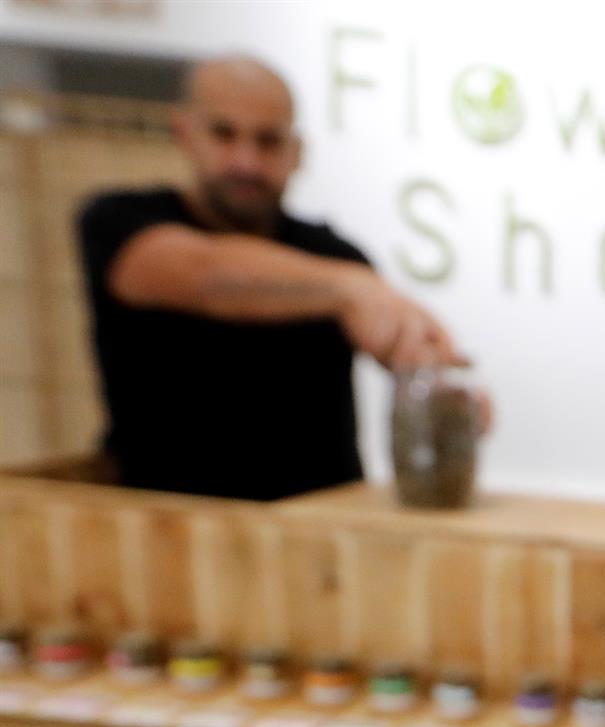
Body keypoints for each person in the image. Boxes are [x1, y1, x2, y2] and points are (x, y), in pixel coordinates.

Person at [77, 55, 471, 501]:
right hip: (167, 529)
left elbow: (402, 347)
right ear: (184, 132)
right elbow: (207, 274)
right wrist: (348, 289)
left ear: (296, 153)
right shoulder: (118, 221)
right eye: (224, 134)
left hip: (316, 529)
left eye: (268, 141)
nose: (246, 162)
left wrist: (437, 378)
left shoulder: (335, 256)